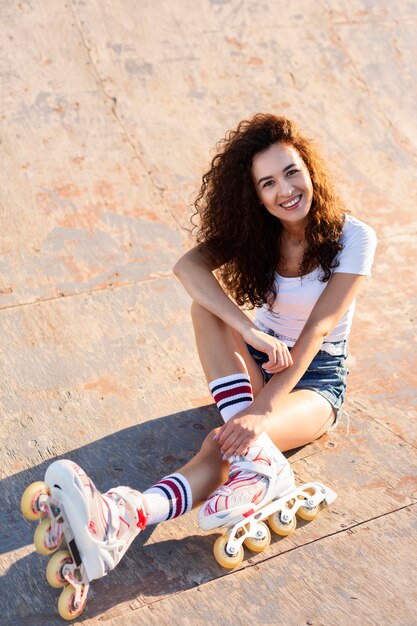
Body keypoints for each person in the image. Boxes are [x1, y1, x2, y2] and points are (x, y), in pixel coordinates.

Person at [22, 114, 377, 617]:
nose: (285, 191)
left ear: (311, 171)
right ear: (254, 194)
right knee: (204, 308)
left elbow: (319, 329)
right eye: (268, 183)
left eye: (292, 173)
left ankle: (130, 511)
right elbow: (187, 268)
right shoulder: (261, 233)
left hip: (315, 380)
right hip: (261, 356)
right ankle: (247, 470)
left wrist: (263, 408)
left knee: (222, 441)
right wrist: (250, 330)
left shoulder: (355, 237)